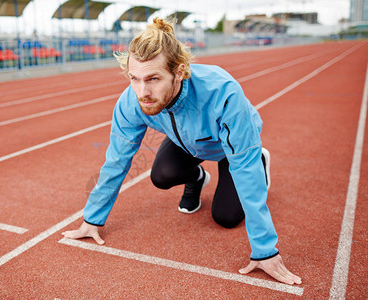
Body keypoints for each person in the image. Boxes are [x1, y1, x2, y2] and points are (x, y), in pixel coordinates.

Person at [63, 18, 301, 285]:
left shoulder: (223, 93)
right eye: (134, 79)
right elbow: (117, 159)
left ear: (180, 71)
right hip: (186, 142)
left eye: (153, 78)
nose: (143, 92)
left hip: (230, 148)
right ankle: (197, 178)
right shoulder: (132, 101)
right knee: (162, 176)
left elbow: (244, 169)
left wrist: (265, 250)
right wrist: (92, 219)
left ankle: (262, 159)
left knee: (225, 217)